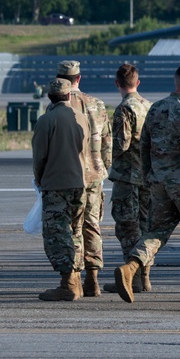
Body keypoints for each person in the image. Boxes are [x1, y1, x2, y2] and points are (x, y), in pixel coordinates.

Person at [114, 64, 180, 303]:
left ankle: (130, 267)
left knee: (156, 231)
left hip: (159, 182)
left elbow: (145, 147)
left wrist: (150, 175)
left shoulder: (156, 108)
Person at [53, 60, 111, 298]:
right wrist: (104, 168)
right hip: (94, 175)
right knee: (92, 225)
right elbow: (108, 141)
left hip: (69, 175)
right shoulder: (96, 104)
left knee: (70, 228)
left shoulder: (58, 105)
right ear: (80, 78)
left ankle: (72, 279)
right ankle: (93, 279)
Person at [33, 78, 86, 301]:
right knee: (75, 231)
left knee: (56, 233)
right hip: (79, 182)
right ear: (69, 95)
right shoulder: (81, 117)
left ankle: (67, 284)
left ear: (50, 97)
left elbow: (39, 156)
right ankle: (77, 280)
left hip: (56, 185)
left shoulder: (46, 120)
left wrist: (39, 179)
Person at [104, 64, 152, 294]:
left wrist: (103, 153)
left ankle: (132, 279)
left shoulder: (124, 109)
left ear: (117, 83)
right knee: (145, 226)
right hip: (147, 176)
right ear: (138, 83)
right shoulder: (149, 106)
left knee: (127, 227)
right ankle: (145, 277)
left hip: (128, 176)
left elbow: (121, 144)